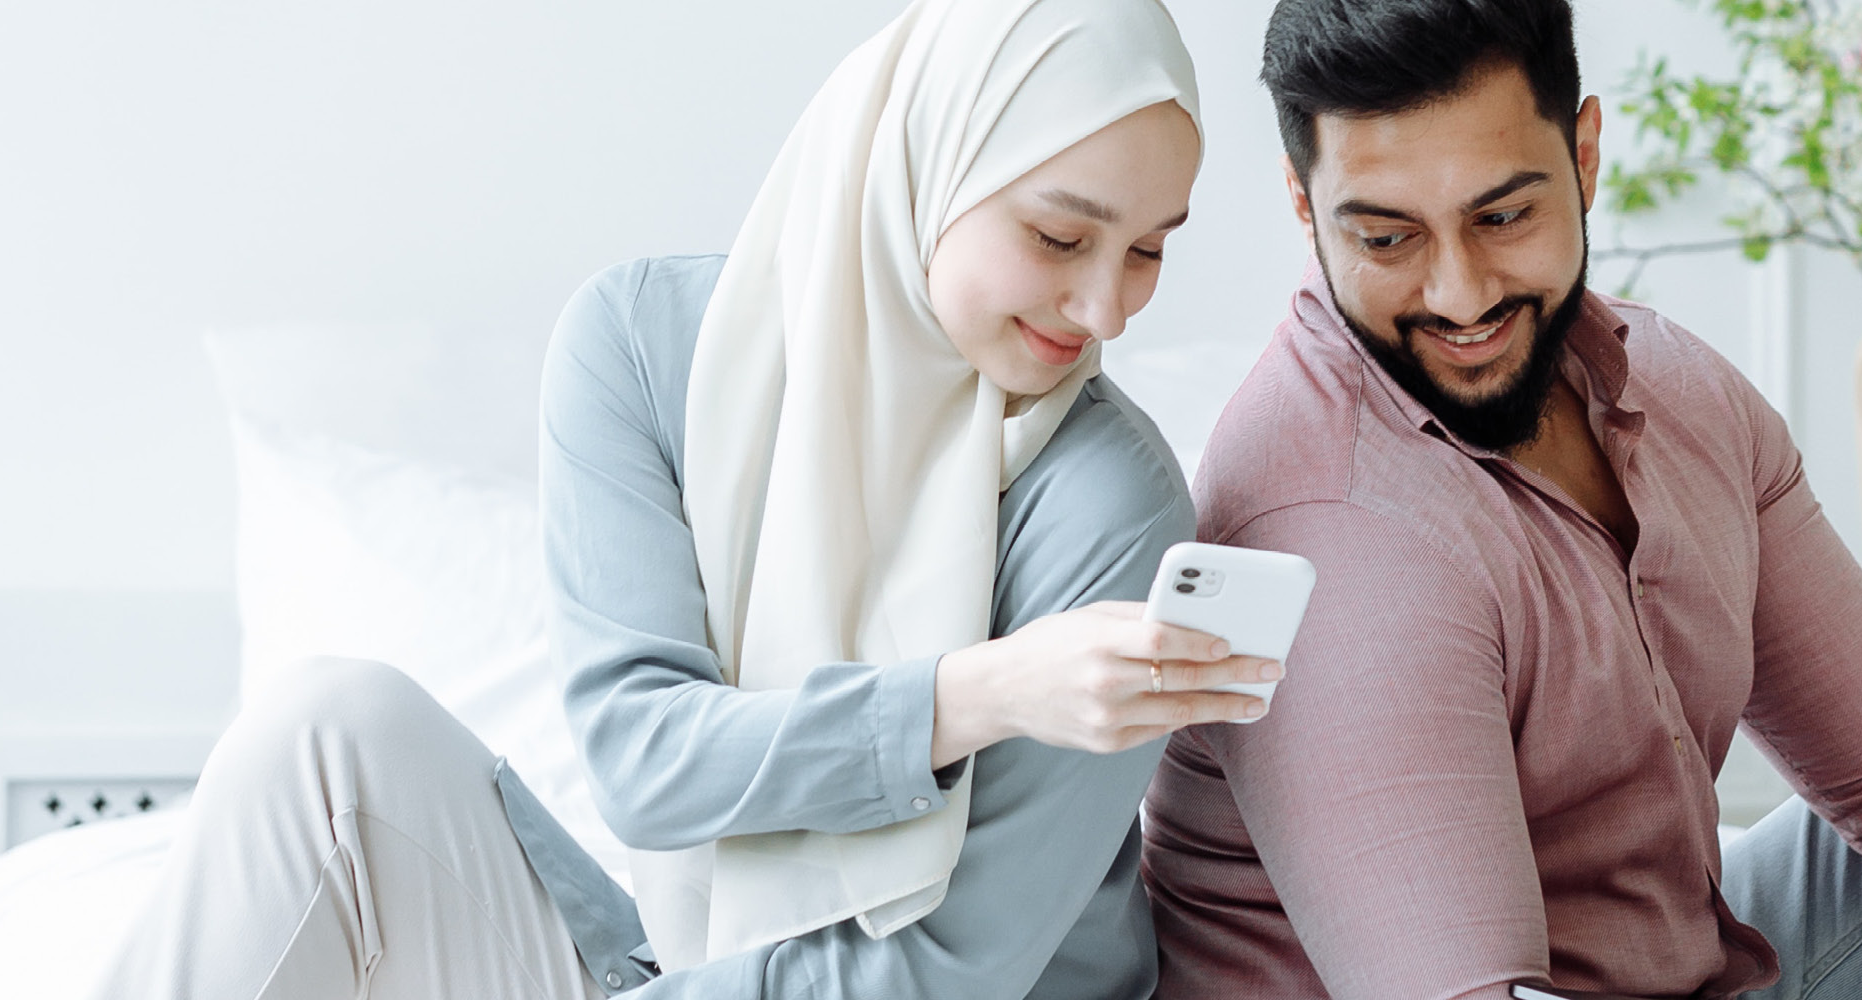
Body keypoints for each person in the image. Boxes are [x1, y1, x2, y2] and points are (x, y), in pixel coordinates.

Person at [89, 1, 1272, 996]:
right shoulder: (648, 351)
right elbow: (648, 767)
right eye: (1061, 236)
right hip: (696, 969)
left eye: (1151, 250)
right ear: (922, 160)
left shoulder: (1109, 500)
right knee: (328, 732)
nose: (1107, 309)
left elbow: (944, 971)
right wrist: (975, 694)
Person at [1137, 3, 1862, 1000]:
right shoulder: (1323, 531)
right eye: (1385, 238)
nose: (1459, 292)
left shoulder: (1676, 393)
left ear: (1584, 155)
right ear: (1303, 204)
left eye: (1504, 216)